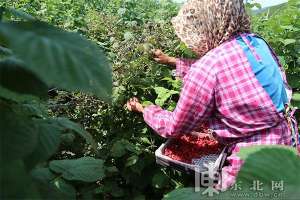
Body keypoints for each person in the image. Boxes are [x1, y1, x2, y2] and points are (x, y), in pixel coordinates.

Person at [126, 0, 298, 190]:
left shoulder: (207, 68)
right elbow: (228, 71)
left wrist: (144, 108)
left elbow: (173, 127)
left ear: (204, 27)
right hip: (287, 141)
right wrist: (171, 61)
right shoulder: (254, 42)